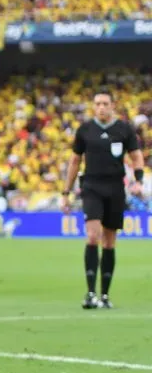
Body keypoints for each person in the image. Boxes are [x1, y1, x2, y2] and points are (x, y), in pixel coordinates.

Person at [61, 90, 145, 309]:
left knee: (109, 241)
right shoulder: (85, 130)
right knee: (92, 236)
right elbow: (75, 161)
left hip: (116, 188)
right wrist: (65, 192)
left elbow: (136, 156)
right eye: (97, 103)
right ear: (93, 106)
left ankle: (105, 295)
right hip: (91, 187)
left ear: (112, 105)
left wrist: (138, 180)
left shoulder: (124, 129)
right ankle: (90, 293)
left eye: (105, 103)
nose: (101, 107)